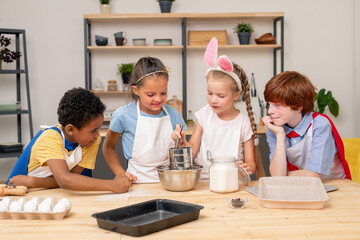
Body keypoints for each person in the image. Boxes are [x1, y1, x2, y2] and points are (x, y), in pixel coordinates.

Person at [172, 37, 264, 180]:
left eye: (221, 96)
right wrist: (183, 143)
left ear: (236, 95)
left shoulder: (243, 122)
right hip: (203, 182)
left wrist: (244, 168)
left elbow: (251, 164)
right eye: (209, 93)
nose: (213, 100)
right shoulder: (204, 115)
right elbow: (193, 150)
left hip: (231, 182)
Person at [7, 88, 131, 193]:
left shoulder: (91, 141)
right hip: (25, 193)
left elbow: (71, 178)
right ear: (71, 129)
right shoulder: (50, 138)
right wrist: (112, 186)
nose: (98, 135)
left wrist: (33, 182)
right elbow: (65, 180)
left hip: (51, 191)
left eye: (98, 129)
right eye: (93, 131)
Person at [102, 57, 187, 183]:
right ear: (136, 90)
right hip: (136, 182)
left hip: (169, 182)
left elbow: (184, 150)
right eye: (150, 95)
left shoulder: (174, 115)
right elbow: (108, 147)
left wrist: (181, 143)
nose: (158, 99)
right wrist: (120, 173)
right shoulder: (122, 115)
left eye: (163, 93)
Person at [262, 71, 351, 179]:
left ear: (299, 105)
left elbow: (313, 174)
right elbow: (276, 175)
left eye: (277, 105)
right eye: (269, 104)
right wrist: (280, 135)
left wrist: (283, 174)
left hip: (337, 185)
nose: (270, 111)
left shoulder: (320, 125)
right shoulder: (275, 129)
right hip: (306, 184)